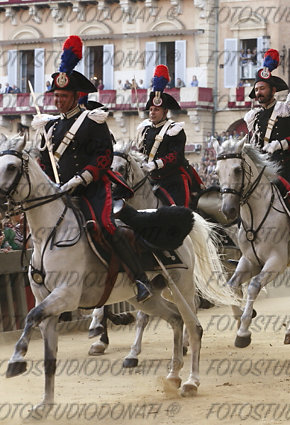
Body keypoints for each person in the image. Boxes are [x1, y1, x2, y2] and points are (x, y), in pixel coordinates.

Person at [36, 35, 151, 302]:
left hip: (92, 190)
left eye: (64, 96)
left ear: (76, 96)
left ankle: (140, 279)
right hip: (60, 191)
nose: (59, 101)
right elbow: (44, 161)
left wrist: (81, 177)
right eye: (56, 96)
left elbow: (104, 156)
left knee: (107, 226)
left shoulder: (92, 121)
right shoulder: (50, 126)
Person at [244, 49, 290, 265]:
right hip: (265, 169)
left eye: (262, 88)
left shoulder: (287, 109)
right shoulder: (254, 117)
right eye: (256, 89)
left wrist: (281, 144)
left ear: (273, 90)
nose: (258, 92)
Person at [136, 65, 204, 208]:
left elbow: (176, 155)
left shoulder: (175, 130)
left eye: (156, 110)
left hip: (172, 178)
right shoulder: (145, 129)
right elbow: (141, 151)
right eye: (151, 110)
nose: (152, 113)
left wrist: (155, 164)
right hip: (151, 178)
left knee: (179, 210)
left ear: (165, 111)